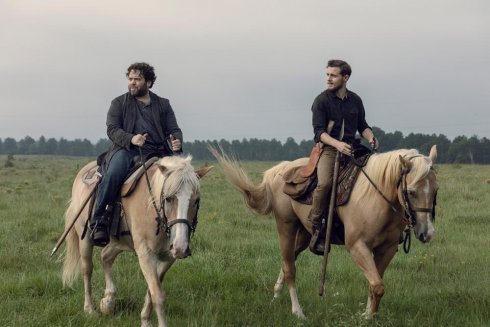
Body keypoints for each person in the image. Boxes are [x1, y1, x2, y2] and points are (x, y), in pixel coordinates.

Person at [90, 62, 183, 247]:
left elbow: (174, 129)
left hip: (158, 151)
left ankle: (181, 224)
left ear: (148, 82)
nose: (132, 83)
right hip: (127, 150)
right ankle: (100, 221)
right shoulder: (118, 103)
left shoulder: (163, 104)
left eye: (137, 79)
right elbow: (112, 129)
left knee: (183, 178)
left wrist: (177, 141)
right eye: (130, 79)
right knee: (113, 174)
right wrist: (132, 139)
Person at [309, 59, 378, 255]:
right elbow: (319, 133)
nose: (329, 79)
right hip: (330, 151)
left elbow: (362, 125)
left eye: (333, 75)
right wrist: (337, 144)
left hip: (353, 149)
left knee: (375, 177)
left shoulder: (355, 100)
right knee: (325, 184)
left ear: (345, 78)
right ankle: (316, 227)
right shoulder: (321, 101)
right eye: (327, 75)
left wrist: (371, 137)